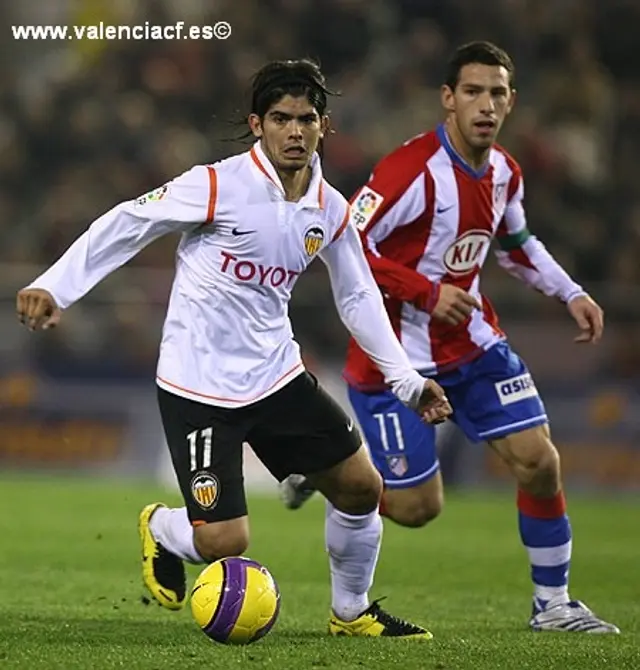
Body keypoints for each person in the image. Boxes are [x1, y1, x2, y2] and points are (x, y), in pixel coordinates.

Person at [16, 59, 453, 638]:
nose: (294, 131)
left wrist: (406, 380)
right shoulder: (217, 184)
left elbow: (358, 298)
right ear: (257, 124)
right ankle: (163, 527)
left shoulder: (329, 208)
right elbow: (129, 222)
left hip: (275, 377)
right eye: (281, 119)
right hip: (197, 385)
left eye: (305, 119)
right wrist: (57, 284)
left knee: (362, 487)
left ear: (324, 125)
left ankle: (352, 612)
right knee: (226, 541)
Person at [279, 43, 620, 634]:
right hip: (397, 363)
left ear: (511, 101)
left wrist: (571, 293)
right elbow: (342, 241)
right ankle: (331, 471)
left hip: (475, 347)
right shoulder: (409, 170)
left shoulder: (505, 172)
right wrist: (423, 291)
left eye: (496, 93)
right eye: (472, 92)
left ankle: (554, 604)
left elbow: (514, 246)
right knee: (417, 508)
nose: (485, 105)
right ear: (448, 99)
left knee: (540, 463)